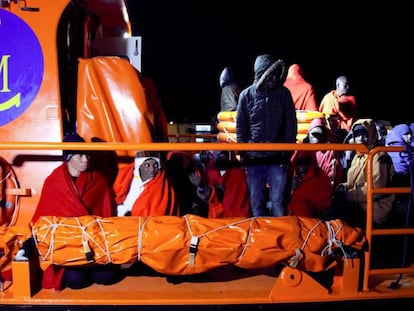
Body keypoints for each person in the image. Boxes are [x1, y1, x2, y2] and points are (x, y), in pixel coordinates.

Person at [31, 132, 119, 290]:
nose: (85, 159)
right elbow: (44, 218)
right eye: (79, 155)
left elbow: (107, 214)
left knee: (106, 277)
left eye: (87, 154)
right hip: (68, 247)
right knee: (75, 281)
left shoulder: (98, 179)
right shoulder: (54, 181)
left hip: (95, 243)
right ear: (69, 157)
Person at [236, 54, 297, 217]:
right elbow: (241, 128)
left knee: (278, 200)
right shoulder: (246, 96)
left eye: (275, 73)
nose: (274, 77)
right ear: (261, 74)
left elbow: (290, 125)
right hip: (254, 159)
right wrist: (243, 155)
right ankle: (260, 237)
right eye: (270, 73)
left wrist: (287, 153)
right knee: (256, 201)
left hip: (277, 158)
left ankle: (280, 236)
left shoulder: (284, 94)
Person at [325, 119, 396, 228]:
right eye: (357, 135)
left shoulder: (378, 156)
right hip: (360, 203)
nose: (360, 139)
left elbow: (376, 189)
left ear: (371, 134)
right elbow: (352, 182)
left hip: (373, 209)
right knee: (330, 208)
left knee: (334, 214)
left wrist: (348, 195)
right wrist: (341, 188)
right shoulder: (359, 156)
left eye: (364, 135)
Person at [114, 151, 179, 217]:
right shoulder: (128, 179)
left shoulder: (161, 184)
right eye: (147, 165)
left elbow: (158, 212)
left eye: (155, 165)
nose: (152, 169)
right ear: (139, 166)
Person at [189, 150, 251, 218]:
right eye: (219, 153)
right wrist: (200, 185)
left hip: (238, 217)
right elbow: (208, 198)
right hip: (216, 217)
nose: (221, 156)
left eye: (224, 153)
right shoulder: (209, 172)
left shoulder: (240, 174)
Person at [287, 151, 332, 218]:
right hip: (295, 217)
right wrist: (290, 189)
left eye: (304, 164)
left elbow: (324, 201)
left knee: (300, 205)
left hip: (312, 215)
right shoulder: (294, 176)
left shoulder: (320, 177)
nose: (301, 168)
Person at [302, 117, 343, 188]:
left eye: (318, 135)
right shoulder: (302, 149)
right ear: (309, 134)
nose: (316, 138)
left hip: (323, 187)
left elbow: (331, 175)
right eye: (314, 134)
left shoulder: (329, 151)